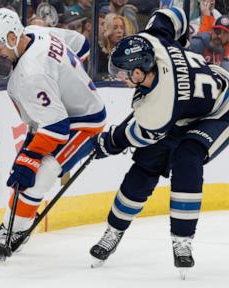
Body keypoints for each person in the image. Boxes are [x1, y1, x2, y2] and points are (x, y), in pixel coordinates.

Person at [89, 6, 229, 276]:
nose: (121, 77)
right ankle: (114, 230)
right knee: (145, 165)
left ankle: (182, 240)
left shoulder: (158, 110)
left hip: (219, 111)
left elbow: (136, 135)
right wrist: (179, 45)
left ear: (140, 72)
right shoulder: (152, 41)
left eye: (124, 72)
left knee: (187, 156)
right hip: (186, 108)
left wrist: (110, 141)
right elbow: (171, 14)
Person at [0, 8, 106, 253]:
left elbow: (57, 128)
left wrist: (30, 158)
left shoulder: (31, 73)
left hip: (84, 121)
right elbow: (80, 44)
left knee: (40, 173)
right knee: (25, 169)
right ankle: (11, 226)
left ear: (12, 37)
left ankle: (14, 230)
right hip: (59, 116)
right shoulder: (34, 32)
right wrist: (64, 81)